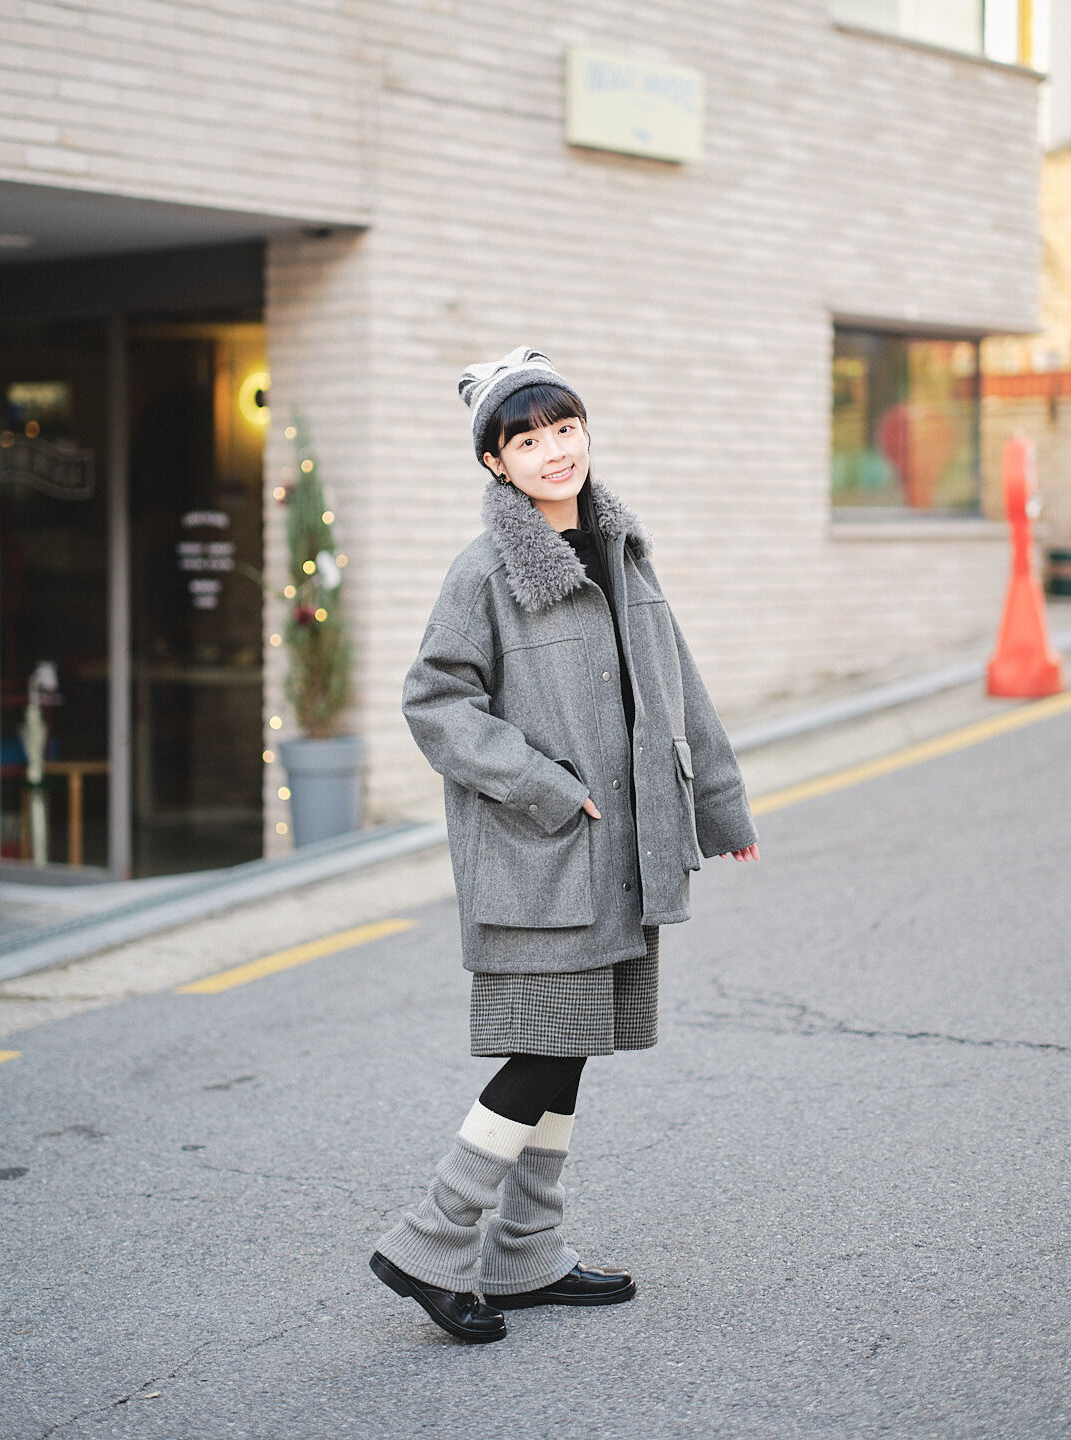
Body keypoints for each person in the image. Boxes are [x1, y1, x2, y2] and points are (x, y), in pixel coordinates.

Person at [369, 346, 760, 1343]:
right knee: (545, 1048)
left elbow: (677, 681)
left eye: (566, 428)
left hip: (618, 855)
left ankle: (527, 1252)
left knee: (570, 1048)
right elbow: (434, 702)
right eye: (527, 439)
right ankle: (429, 1240)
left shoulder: (620, 548)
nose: (554, 451)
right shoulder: (486, 570)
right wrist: (545, 787)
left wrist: (719, 805)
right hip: (539, 855)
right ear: (494, 462)